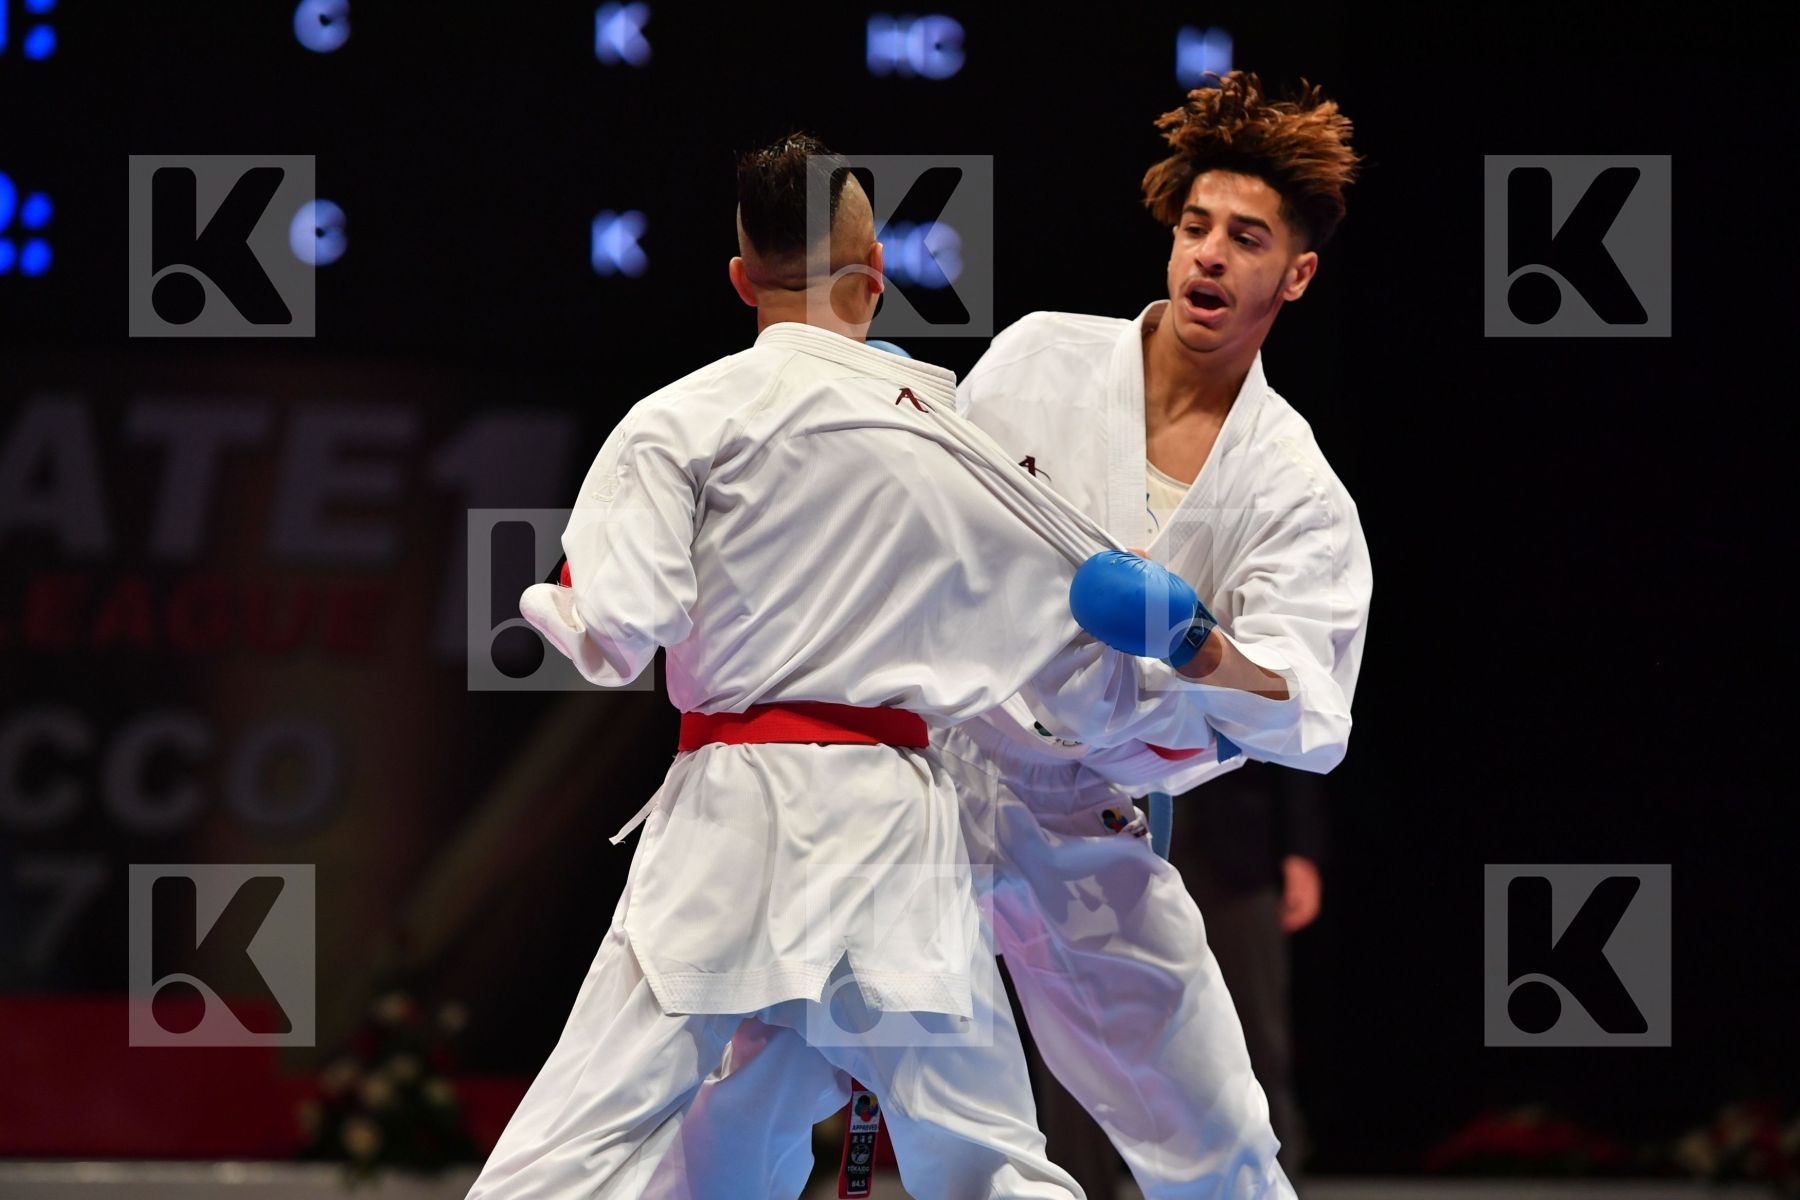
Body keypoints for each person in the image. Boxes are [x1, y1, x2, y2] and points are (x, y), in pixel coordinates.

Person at [648, 72, 1370, 1200]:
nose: (1209, 257)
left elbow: (1311, 717)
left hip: (1086, 828)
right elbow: (914, 513)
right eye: (1194, 228)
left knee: (1222, 1139)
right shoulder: (1045, 358)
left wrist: (1193, 643)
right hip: (928, 774)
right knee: (765, 1079)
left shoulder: (1292, 488)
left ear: (1297, 271)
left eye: (1245, 237)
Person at [465, 133, 1228, 1200]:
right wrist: (1161, 739)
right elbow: (1094, 622)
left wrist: (561, 591)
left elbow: (617, 634)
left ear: (740, 280)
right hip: (892, 828)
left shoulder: (678, 421)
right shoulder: (957, 435)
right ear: (874, 282)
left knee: (578, 1144)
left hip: (727, 821)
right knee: (990, 1158)